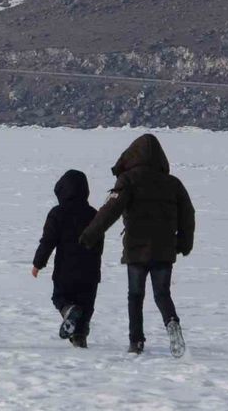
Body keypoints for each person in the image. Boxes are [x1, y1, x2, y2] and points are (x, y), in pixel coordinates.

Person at [79, 134, 194, 357]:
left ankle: (136, 342)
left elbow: (109, 211)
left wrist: (88, 236)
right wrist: (184, 243)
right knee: (162, 294)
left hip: (136, 249)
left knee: (135, 295)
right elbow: (188, 214)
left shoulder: (128, 180)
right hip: (164, 249)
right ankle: (172, 323)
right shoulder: (173, 184)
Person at [32, 170, 103, 348]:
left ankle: (67, 310)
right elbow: (99, 244)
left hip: (66, 270)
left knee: (60, 297)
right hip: (90, 271)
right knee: (86, 308)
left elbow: (48, 241)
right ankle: (80, 340)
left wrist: (38, 263)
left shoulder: (57, 213)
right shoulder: (94, 214)